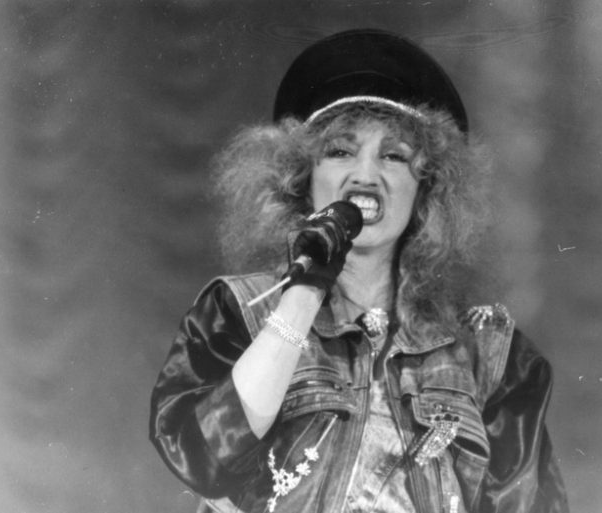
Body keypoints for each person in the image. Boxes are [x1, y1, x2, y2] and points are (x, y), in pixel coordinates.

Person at [149, 29, 568, 513]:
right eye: (340, 151)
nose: (366, 175)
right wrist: (305, 291)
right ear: (301, 178)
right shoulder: (235, 313)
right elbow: (201, 459)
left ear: (428, 188)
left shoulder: (492, 355)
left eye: (393, 155)